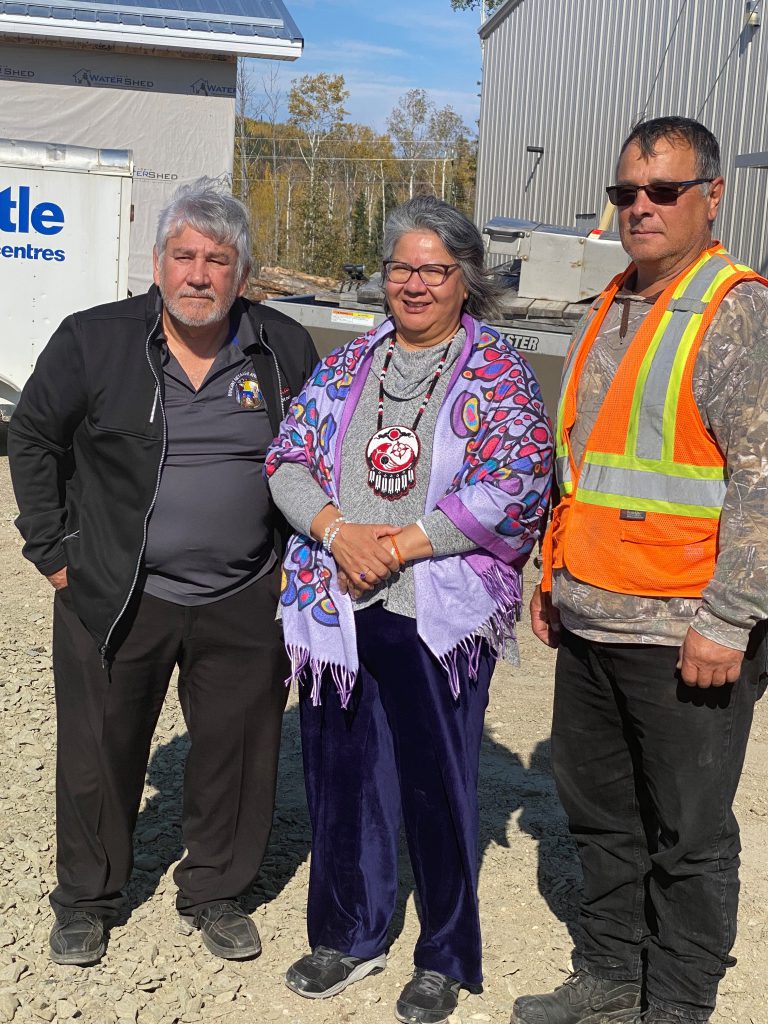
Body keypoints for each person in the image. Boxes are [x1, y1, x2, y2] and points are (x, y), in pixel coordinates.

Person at [8, 178, 318, 967]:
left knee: (238, 753)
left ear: (243, 274)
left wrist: (296, 563)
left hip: (246, 591)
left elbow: (315, 458)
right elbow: (34, 438)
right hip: (115, 592)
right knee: (99, 751)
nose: (199, 275)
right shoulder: (95, 339)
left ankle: (216, 889)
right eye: (184, 256)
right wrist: (52, 552)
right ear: (158, 262)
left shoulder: (281, 346)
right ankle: (87, 898)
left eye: (218, 260)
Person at [266, 194, 553, 1024]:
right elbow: (288, 458)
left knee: (437, 785)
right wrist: (336, 529)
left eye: (434, 269)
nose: (414, 284)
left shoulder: (499, 375)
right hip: (337, 604)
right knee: (342, 777)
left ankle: (444, 957)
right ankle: (348, 934)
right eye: (401, 268)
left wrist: (399, 545)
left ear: (467, 280)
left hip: (435, 611)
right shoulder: (351, 364)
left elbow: (516, 485)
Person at [513, 117, 768, 1024]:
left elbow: (761, 480)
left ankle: (679, 1003)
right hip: (594, 615)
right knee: (600, 814)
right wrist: (551, 579)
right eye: (627, 192)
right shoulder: (615, 300)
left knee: (689, 832)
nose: (642, 207)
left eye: (663, 191)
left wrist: (729, 618)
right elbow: (580, 462)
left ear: (711, 196)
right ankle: (613, 976)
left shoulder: (735, 310)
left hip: (685, 631)